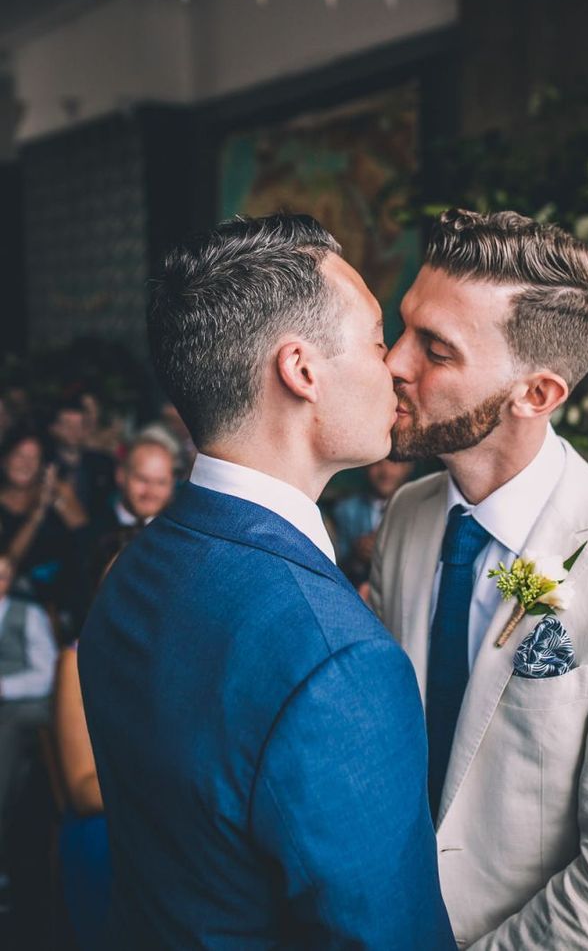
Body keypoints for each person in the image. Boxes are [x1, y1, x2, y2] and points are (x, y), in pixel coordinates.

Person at [79, 214, 455, 949]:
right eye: (379, 342)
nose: (400, 368)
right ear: (302, 370)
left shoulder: (128, 573)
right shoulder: (340, 663)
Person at [370, 209, 588, 950]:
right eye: (404, 329)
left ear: (538, 395)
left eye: (436, 349)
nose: (394, 363)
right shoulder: (408, 515)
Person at [55, 526, 139, 951]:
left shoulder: (175, 656)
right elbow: (85, 791)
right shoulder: (76, 661)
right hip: (106, 832)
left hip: (167, 824)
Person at [0, 554, 57, 901]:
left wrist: (4, 687)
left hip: (23, 704)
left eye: (3, 575)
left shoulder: (28, 613)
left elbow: (47, 673)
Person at [0, 426, 88, 628]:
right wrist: (38, 512)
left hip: (60, 603)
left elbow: (87, 540)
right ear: (5, 459)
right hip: (12, 604)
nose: (26, 464)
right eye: (20, 456)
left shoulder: (57, 494)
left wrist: (60, 496)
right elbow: (9, 562)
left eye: (34, 458)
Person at [333, 458, 414, 588]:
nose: (386, 472)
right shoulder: (346, 510)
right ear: (364, 465)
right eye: (376, 463)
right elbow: (336, 565)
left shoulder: (418, 509)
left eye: (394, 463)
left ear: (408, 467)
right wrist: (356, 554)